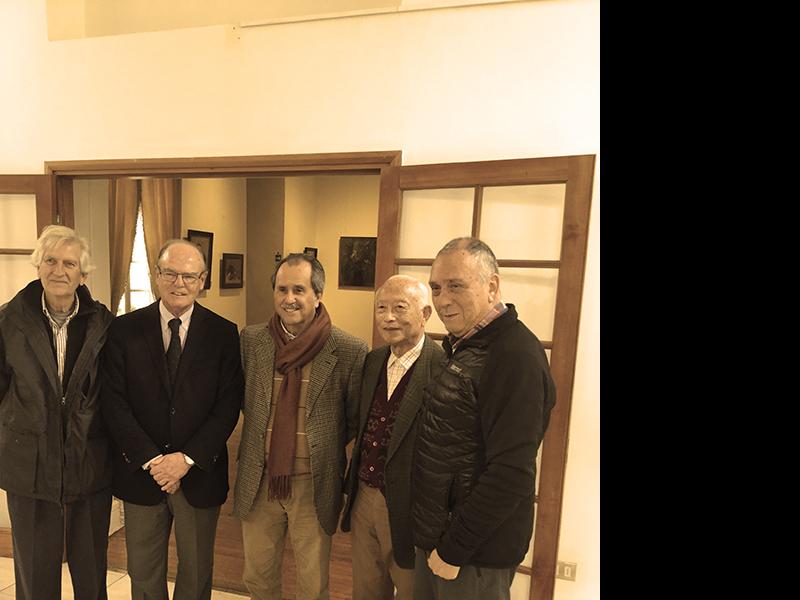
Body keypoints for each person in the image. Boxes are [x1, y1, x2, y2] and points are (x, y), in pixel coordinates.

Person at [412, 237, 556, 600]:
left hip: (473, 556)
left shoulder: (514, 354)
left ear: (492, 285)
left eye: (456, 285)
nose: (443, 300)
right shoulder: (464, 345)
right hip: (441, 542)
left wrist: (453, 549)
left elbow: (511, 473)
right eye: (436, 287)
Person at [101, 239, 243, 600]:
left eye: (189, 275)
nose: (179, 283)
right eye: (170, 273)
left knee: (196, 576)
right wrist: (154, 460)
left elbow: (228, 405)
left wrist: (185, 460)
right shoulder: (124, 329)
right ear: (157, 276)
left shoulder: (223, 333)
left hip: (198, 473)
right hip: (142, 473)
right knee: (144, 574)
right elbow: (114, 402)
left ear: (203, 279)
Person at [233, 253, 368, 600]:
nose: (288, 299)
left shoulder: (349, 349)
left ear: (318, 295)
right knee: (258, 578)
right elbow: (244, 400)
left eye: (299, 290)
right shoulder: (251, 341)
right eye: (281, 289)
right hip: (260, 479)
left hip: (313, 484)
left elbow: (353, 419)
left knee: (312, 584)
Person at [0, 225, 114, 600]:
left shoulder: (103, 323)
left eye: (69, 263)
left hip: (89, 459)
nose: (58, 271)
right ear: (38, 266)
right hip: (29, 464)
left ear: (83, 274)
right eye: (50, 260)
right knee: (34, 571)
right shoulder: (7, 321)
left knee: (91, 565)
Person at [340, 275, 443, 600]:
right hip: (364, 495)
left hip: (411, 505)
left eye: (400, 308)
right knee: (367, 589)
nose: (388, 317)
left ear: (425, 314)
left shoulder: (442, 367)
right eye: (381, 308)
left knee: (413, 591)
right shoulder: (372, 361)